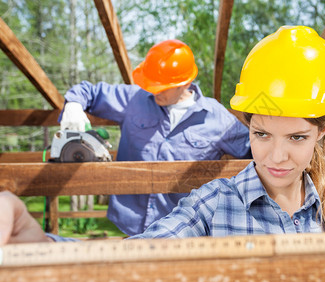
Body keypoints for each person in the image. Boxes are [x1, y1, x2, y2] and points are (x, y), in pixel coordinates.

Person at [1, 25, 325, 245]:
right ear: (247, 126)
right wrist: (38, 242)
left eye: (295, 138)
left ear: (322, 129)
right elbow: (145, 249)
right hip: (133, 219)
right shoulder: (213, 203)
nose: (275, 156)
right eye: (260, 134)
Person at [58, 39, 251, 235]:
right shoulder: (134, 99)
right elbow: (88, 91)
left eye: (162, 86)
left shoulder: (218, 118)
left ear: (186, 83)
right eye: (152, 83)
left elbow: (253, 152)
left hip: (184, 229)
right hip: (128, 225)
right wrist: (73, 105)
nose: (153, 90)